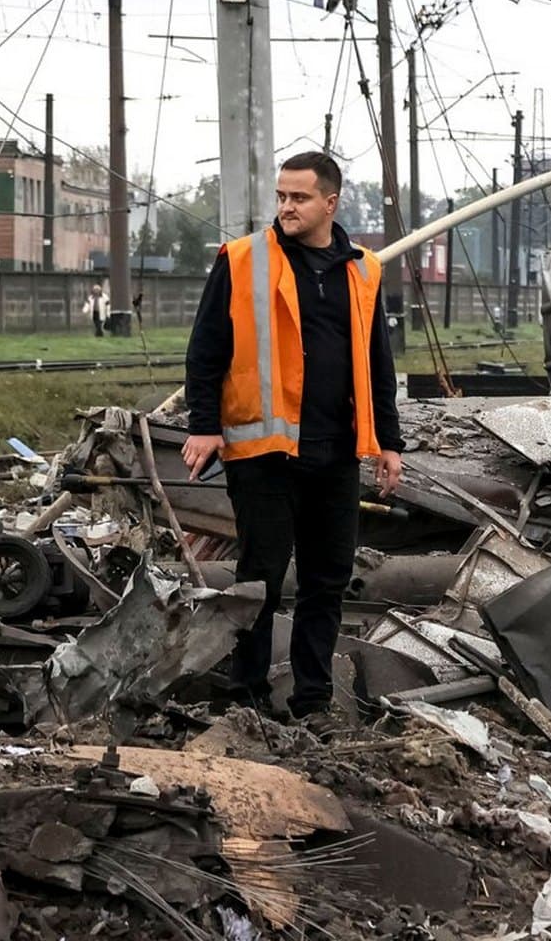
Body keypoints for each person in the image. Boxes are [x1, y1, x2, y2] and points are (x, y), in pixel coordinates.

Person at [180, 151, 404, 724]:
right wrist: (204, 426)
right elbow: (205, 351)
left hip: (335, 454)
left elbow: (378, 361)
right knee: (261, 579)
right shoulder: (242, 260)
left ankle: (312, 702)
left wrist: (388, 440)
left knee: (326, 583)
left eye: (299, 198)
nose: (286, 207)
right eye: (281, 196)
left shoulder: (364, 270)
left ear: (330, 203)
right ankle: (246, 695)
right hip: (264, 454)